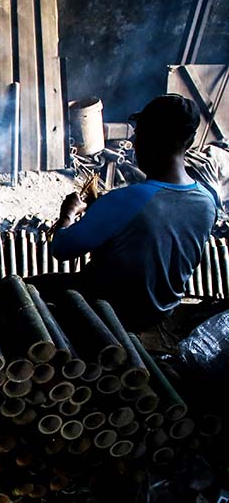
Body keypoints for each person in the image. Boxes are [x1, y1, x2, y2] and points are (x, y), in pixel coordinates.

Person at [31, 94, 218, 331]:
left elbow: (62, 248)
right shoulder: (207, 200)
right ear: (189, 142)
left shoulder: (126, 199)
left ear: (148, 141)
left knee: (19, 290)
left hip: (112, 310)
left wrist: (68, 214)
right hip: (161, 310)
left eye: (137, 135)